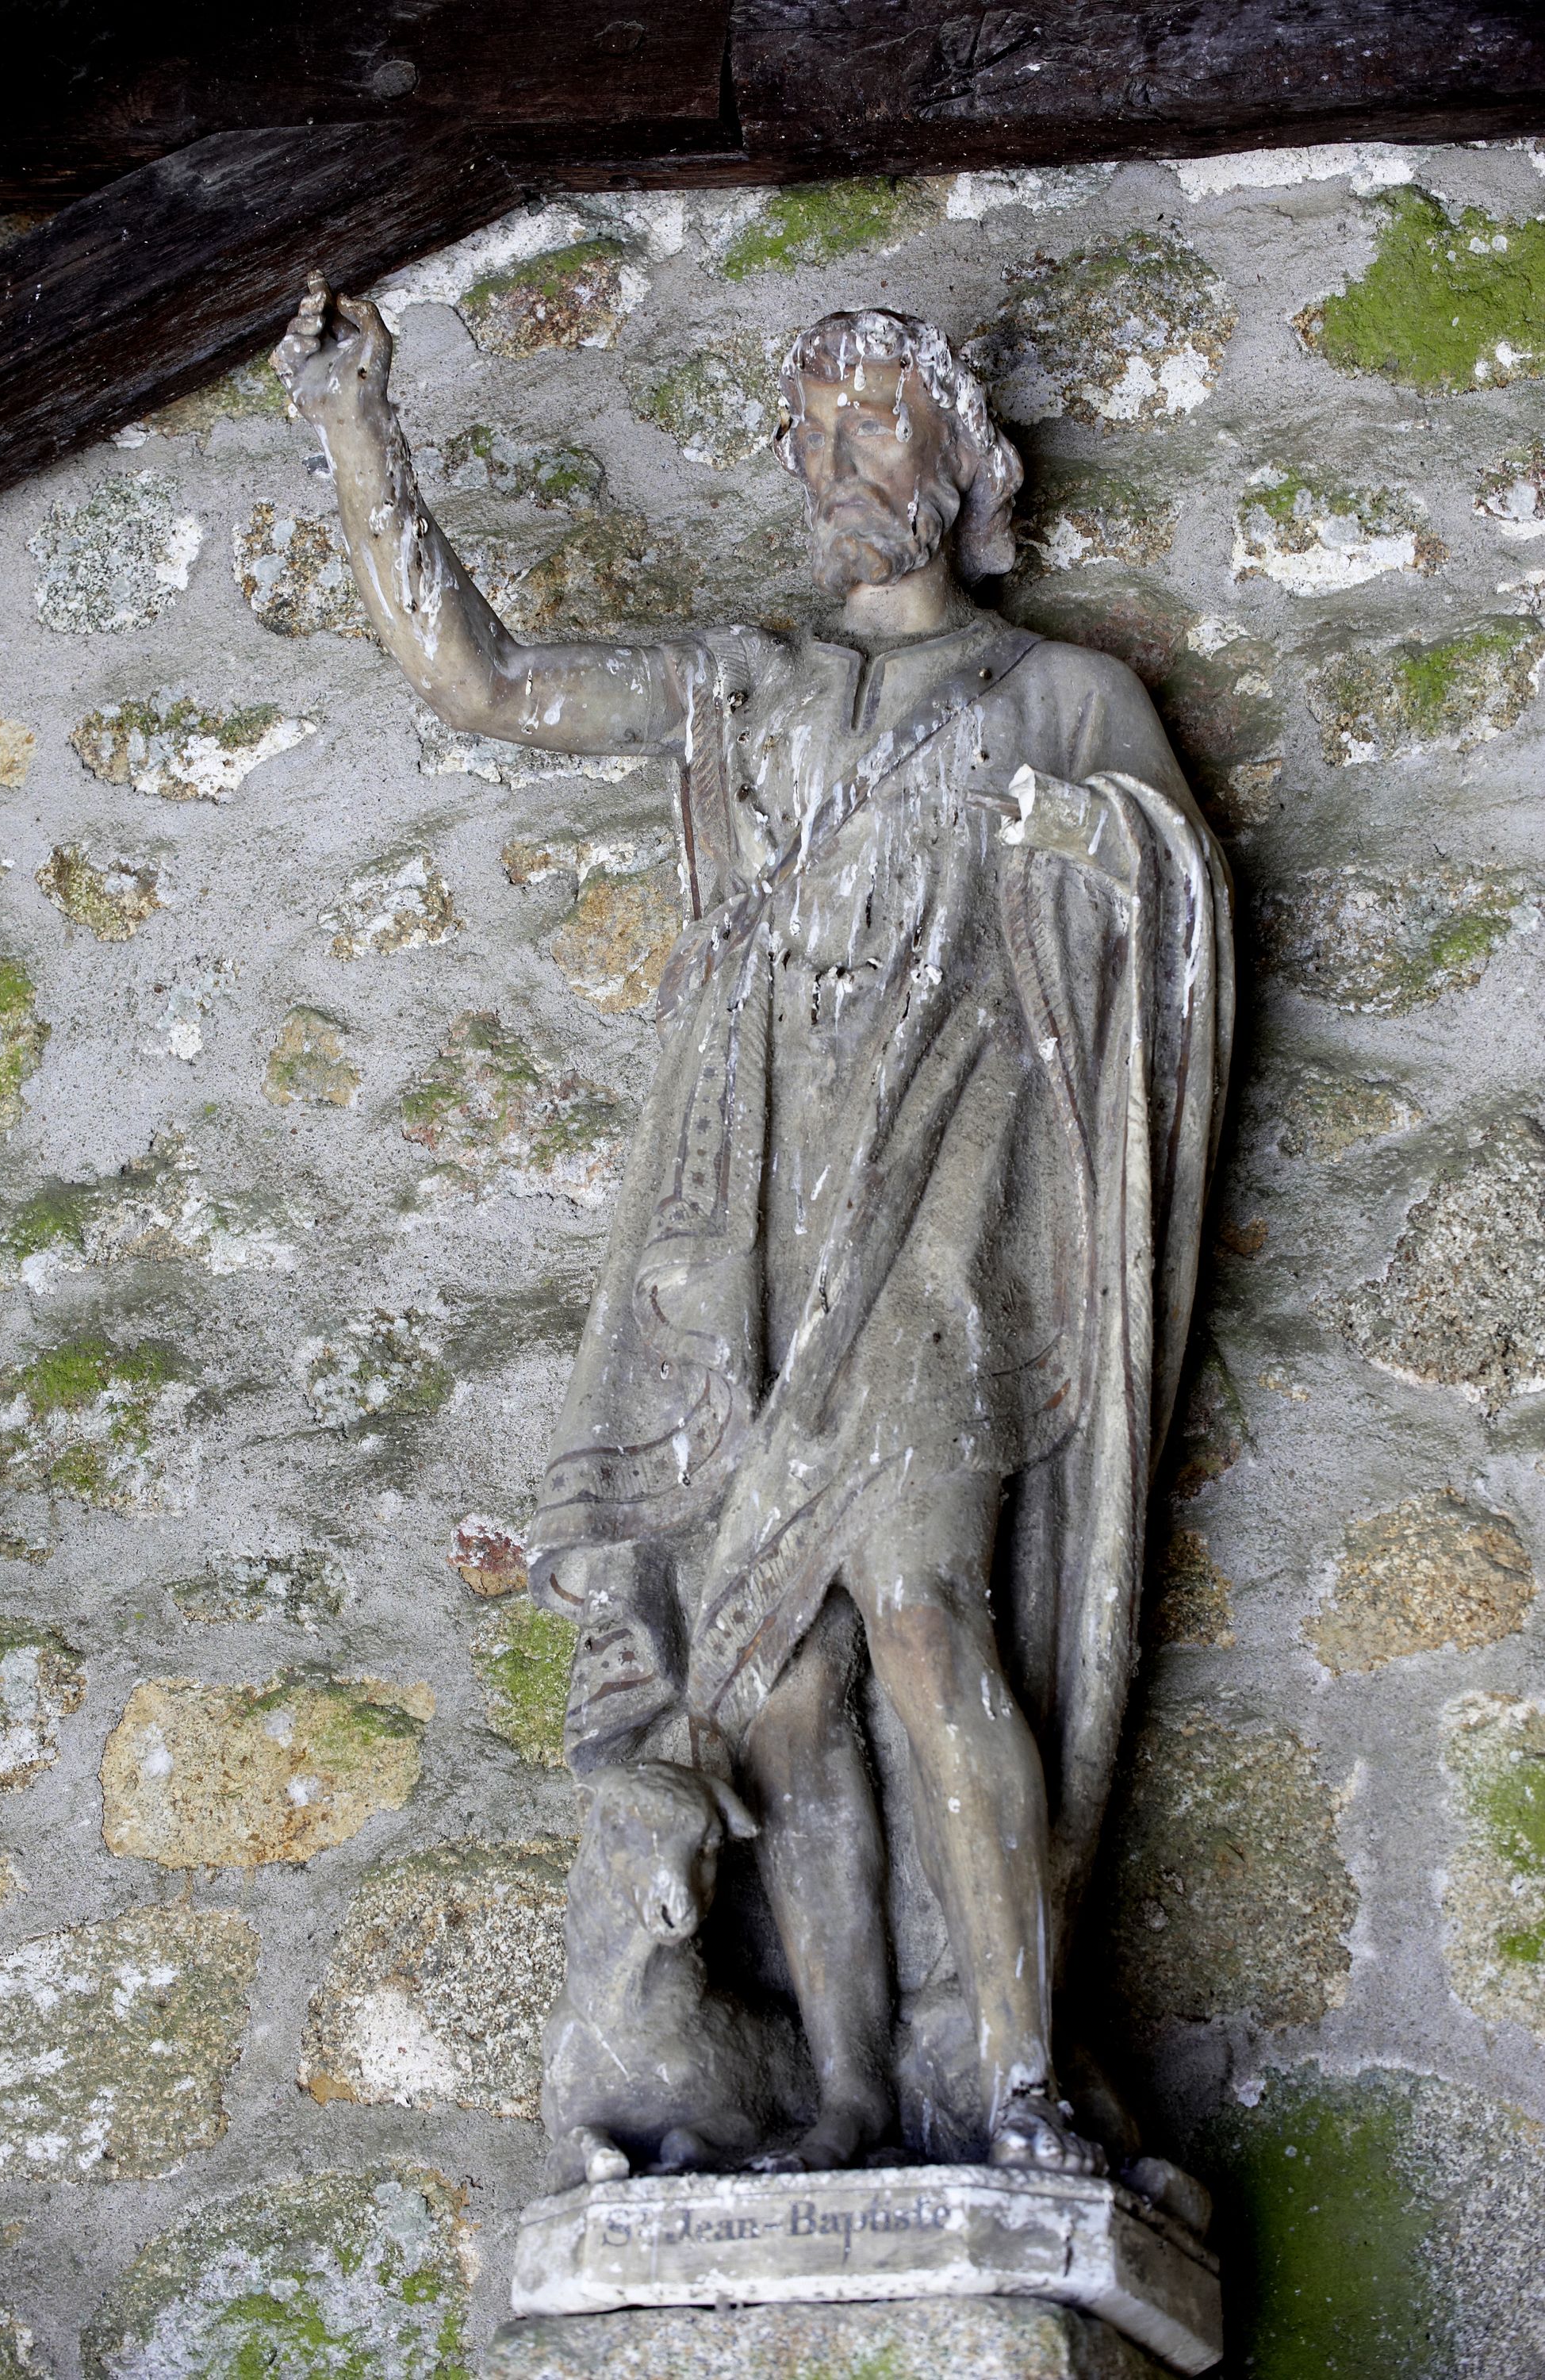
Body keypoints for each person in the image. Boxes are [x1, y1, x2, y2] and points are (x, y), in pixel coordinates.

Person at [276, 284, 1233, 2178]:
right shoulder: (749, 686)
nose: (833, 462)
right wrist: (355, 436)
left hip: (943, 1234)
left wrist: (1076, 853)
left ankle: (1018, 2076)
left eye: (872, 420)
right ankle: (853, 2093)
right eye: (808, 432)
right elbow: (484, 686)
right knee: (778, 1688)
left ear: (962, 457)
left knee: (923, 1621)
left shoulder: (1063, 699)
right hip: (741, 1247)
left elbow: (1178, 952)